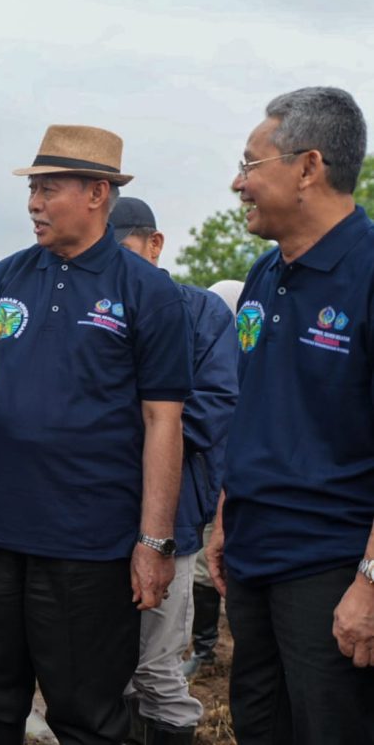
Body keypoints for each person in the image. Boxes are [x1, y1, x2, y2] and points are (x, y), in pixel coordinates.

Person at [0, 125, 193, 745]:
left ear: (97, 193)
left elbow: (164, 420)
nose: (34, 203)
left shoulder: (146, 291)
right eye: (33, 190)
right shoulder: (8, 278)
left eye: (49, 189)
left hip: (89, 541)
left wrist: (153, 540)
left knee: (85, 711)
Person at [206, 86, 374, 744]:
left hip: (332, 566)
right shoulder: (263, 274)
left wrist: (369, 580)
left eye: (250, 164)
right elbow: (257, 403)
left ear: (308, 167)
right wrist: (227, 512)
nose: (237, 182)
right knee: (259, 724)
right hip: (252, 553)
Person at [112, 197, 238, 745]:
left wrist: (104, 437)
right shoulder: (90, 311)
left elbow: (211, 412)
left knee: (156, 669)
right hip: (90, 518)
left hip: (173, 517)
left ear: (154, 244)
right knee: (102, 671)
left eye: (121, 248)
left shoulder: (200, 313)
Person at [181, 278, 244, 679]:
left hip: (240, 481)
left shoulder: (253, 363)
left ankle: (240, 644)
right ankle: (205, 648)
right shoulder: (212, 360)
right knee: (205, 568)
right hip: (214, 480)